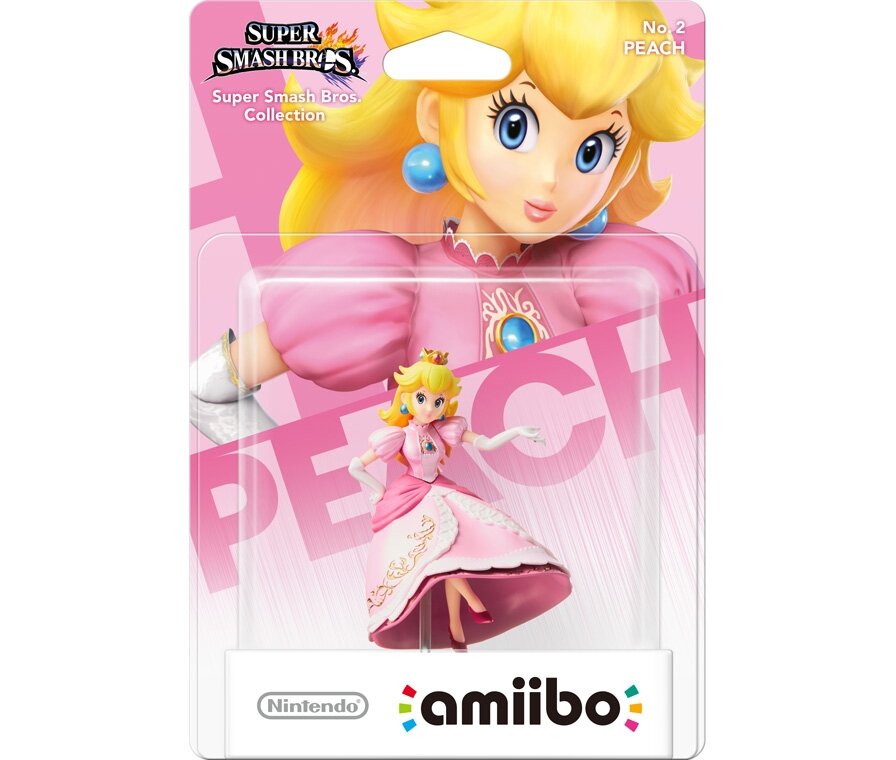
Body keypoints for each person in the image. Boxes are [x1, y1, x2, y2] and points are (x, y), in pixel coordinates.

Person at [190, 1, 705, 444]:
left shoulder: (614, 278)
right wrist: (298, 487)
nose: (550, 177)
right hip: (434, 527)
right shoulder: (388, 287)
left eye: (593, 150)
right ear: (436, 115)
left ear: (622, 166)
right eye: (515, 126)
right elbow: (204, 392)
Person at [347, 348, 571, 650]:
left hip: (441, 488)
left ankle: (456, 626)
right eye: (422, 399)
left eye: (438, 401)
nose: (430, 408)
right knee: (442, 559)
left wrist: (517, 431)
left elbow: (486, 443)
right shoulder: (398, 436)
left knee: (456, 556)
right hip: (411, 496)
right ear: (407, 398)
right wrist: (378, 490)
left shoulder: (444, 430)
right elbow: (356, 466)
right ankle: (472, 602)